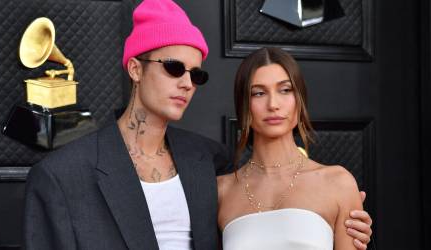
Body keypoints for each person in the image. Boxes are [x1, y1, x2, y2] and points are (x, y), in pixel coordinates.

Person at [24, 1, 372, 250]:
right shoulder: (61, 176)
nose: (187, 82)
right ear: (135, 69)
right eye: (174, 67)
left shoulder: (210, 162)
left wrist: (347, 225)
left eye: (196, 74)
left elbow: (274, 209)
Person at [218, 47, 371, 250]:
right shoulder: (221, 192)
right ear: (243, 105)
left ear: (300, 100)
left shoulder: (337, 183)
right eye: (259, 93)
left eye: (285, 90)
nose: (273, 104)